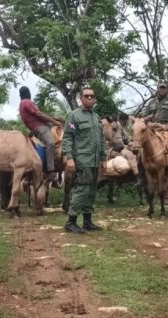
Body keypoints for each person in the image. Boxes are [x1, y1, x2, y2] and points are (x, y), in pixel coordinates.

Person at [63, 87, 106, 234]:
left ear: (94, 99)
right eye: (86, 96)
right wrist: (69, 158)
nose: (89, 98)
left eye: (91, 96)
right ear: (81, 99)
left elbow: (101, 139)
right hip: (82, 160)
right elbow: (68, 138)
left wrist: (104, 159)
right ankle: (71, 222)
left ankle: (87, 221)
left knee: (91, 191)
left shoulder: (96, 117)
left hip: (94, 161)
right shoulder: (74, 117)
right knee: (82, 189)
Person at [19, 86, 63, 185]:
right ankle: (51, 172)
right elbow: (38, 114)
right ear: (27, 93)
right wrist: (55, 122)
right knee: (51, 143)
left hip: (38, 127)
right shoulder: (27, 102)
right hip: (41, 128)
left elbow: (38, 115)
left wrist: (53, 118)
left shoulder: (22, 104)